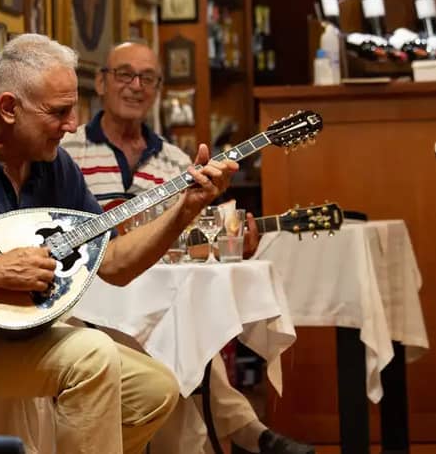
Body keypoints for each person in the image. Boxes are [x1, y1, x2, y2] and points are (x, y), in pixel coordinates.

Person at [0, 34, 238, 454]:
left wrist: (183, 210)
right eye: (59, 112)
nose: (72, 125)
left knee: (155, 390)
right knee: (92, 354)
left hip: (17, 336)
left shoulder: (53, 165)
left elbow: (115, 263)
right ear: (9, 108)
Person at [61, 41, 315, 454]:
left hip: (153, 299)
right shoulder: (67, 153)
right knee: (171, 345)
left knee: (177, 333)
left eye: (148, 78)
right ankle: (250, 433)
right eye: (125, 74)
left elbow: (192, 245)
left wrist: (234, 242)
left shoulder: (178, 163)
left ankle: (245, 435)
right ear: (102, 83)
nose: (136, 86)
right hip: (89, 300)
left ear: (158, 89)